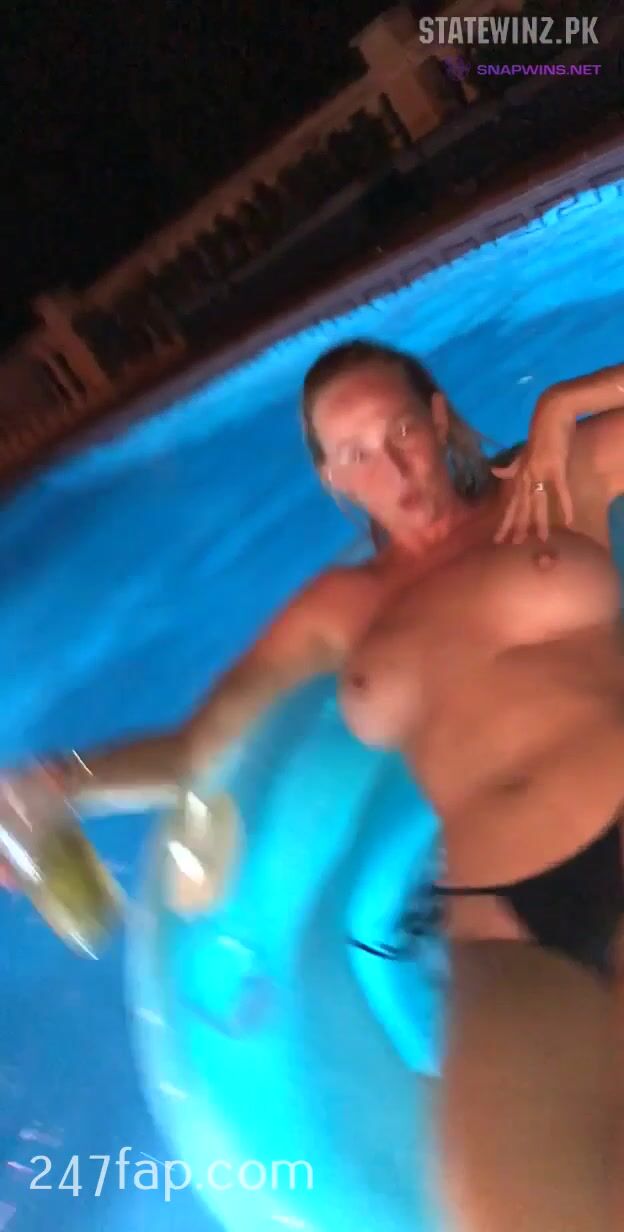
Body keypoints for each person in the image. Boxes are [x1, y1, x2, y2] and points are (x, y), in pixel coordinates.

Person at [4, 339, 624, 1226]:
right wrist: (60, 784)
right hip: (503, 928)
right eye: (356, 453)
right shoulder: (338, 609)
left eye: (400, 431)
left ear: (438, 419)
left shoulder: (553, 476)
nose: (392, 467)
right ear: (331, 478)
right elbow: (205, 746)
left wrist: (567, 400)